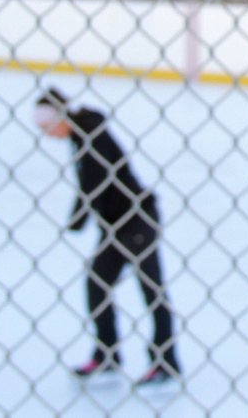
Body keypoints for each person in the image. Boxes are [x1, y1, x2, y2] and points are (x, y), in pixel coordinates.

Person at [33, 86, 180, 387]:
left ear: (60, 118)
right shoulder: (82, 134)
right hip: (116, 225)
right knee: (97, 285)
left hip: (137, 221)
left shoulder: (91, 136)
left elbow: (95, 183)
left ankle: (165, 361)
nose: (46, 134)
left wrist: (76, 220)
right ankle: (107, 354)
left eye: (47, 127)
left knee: (151, 290)